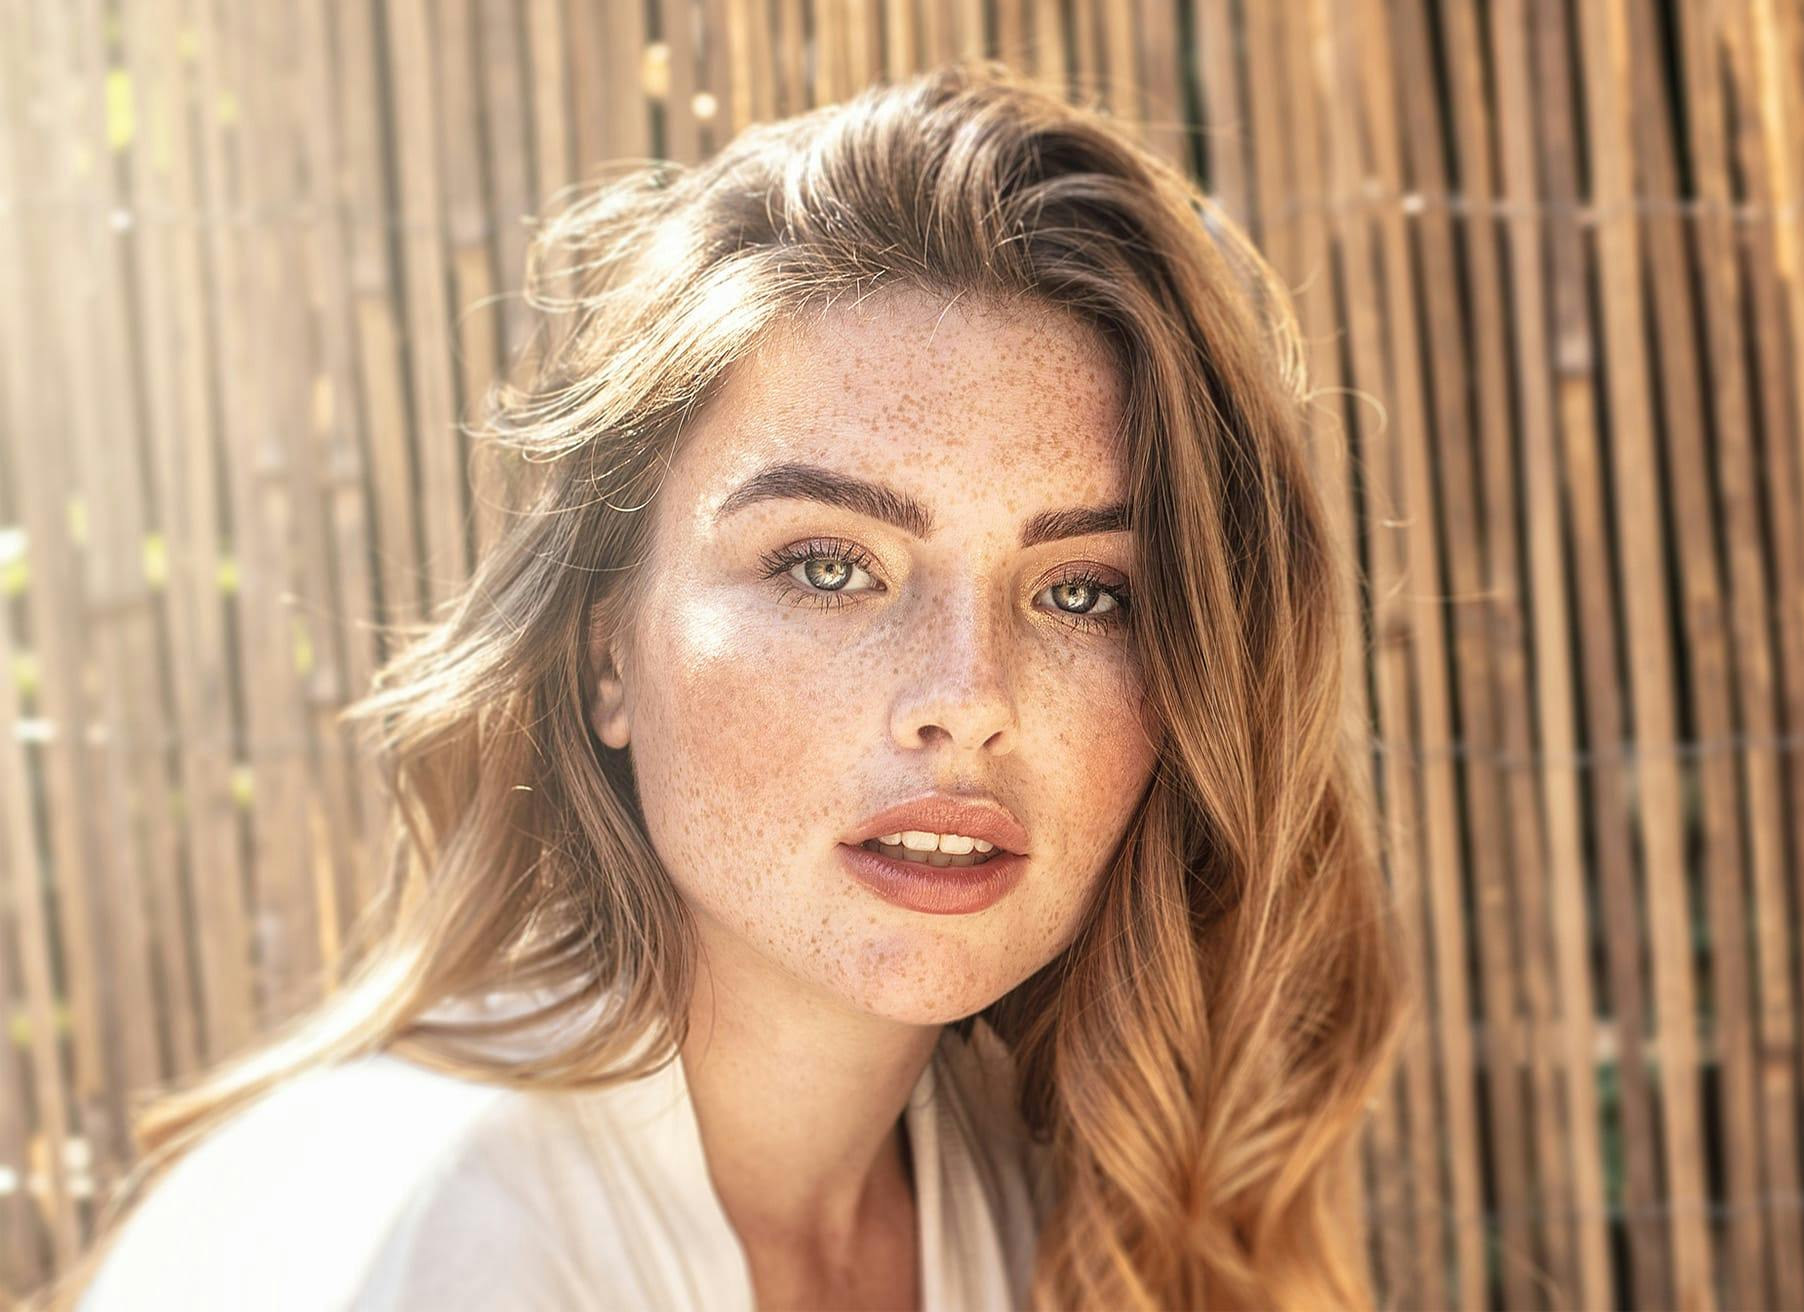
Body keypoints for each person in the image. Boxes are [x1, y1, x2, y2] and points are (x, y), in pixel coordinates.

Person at [49, 58, 1409, 1311]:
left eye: (1080, 592)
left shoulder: (1050, 1199)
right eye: (829, 567)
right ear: (605, 654)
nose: (966, 694)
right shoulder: (439, 1228)